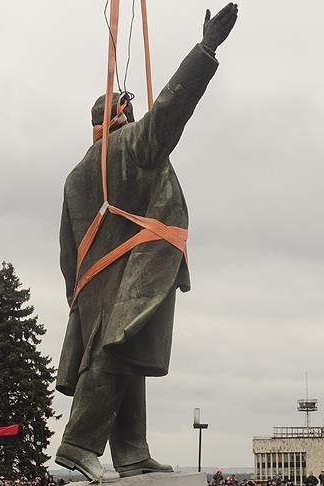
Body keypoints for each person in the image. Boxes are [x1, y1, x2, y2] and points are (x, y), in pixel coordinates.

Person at [53, 4, 239, 482]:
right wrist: (205, 50)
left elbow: (65, 249)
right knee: (115, 354)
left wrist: (79, 296)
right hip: (126, 269)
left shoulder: (77, 173)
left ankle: (131, 450)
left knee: (125, 351)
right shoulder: (131, 146)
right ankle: (78, 444)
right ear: (123, 116)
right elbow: (171, 109)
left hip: (91, 284)